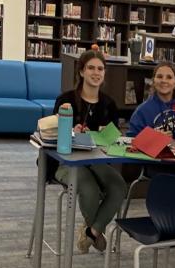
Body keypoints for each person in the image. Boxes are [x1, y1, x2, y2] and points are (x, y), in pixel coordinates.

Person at [51, 50, 128, 254]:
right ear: (82, 72)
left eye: (100, 69)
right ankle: (97, 231)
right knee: (89, 189)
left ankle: (92, 231)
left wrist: (108, 136)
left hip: (98, 160)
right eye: (91, 68)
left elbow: (112, 138)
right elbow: (52, 133)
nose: (96, 72)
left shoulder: (109, 104)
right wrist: (69, 132)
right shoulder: (65, 100)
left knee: (119, 186)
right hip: (68, 161)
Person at [127, 61, 175, 139]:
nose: (164, 81)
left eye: (169, 77)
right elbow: (131, 140)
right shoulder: (142, 111)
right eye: (159, 76)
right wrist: (152, 138)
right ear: (153, 81)